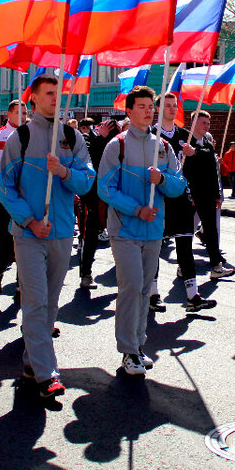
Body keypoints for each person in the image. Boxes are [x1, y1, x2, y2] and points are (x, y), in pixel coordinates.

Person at [0, 74, 95, 399]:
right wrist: (28, 220)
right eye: (50, 93)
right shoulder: (20, 137)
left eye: (59, 93)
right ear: (34, 99)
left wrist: (64, 171)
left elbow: (87, 182)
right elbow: (4, 187)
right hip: (29, 234)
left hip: (63, 231)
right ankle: (47, 374)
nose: (56, 98)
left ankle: (31, 361)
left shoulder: (72, 136)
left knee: (50, 302)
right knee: (36, 300)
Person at [98, 86, 187, 375]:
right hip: (125, 229)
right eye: (143, 106)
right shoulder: (118, 145)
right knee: (132, 285)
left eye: (151, 106)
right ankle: (127, 349)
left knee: (145, 289)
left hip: (154, 229)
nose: (149, 111)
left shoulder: (163, 146)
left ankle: (138, 345)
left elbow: (178, 185)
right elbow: (105, 188)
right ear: (129, 110)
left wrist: (161, 179)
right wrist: (137, 209)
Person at [153, 92, 216, 312]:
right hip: (158, 197)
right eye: (167, 106)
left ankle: (193, 295)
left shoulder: (185, 135)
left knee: (185, 245)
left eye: (174, 105)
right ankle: (153, 294)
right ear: (158, 110)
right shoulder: (150, 135)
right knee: (154, 248)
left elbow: (206, 161)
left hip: (180, 196)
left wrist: (194, 153)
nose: (172, 109)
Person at [182, 110, 234, 280]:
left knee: (211, 231)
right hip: (190, 196)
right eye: (203, 122)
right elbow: (184, 172)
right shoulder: (185, 143)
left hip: (207, 195)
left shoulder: (208, 145)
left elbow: (213, 172)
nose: (207, 126)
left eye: (208, 123)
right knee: (186, 232)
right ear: (194, 123)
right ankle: (184, 266)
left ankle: (215, 266)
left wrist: (217, 194)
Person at [0, 101, 23, 293]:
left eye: (24, 113)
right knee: (7, 237)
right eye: (18, 112)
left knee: (25, 240)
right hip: (7, 195)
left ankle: (20, 284)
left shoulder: (30, 134)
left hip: (26, 194)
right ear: (8, 114)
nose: (22, 116)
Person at [79, 117, 117, 289]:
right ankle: (85, 272)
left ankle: (125, 272)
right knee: (91, 236)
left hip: (116, 195)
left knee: (121, 236)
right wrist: (100, 138)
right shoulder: (89, 140)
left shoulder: (122, 142)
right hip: (96, 196)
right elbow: (91, 160)